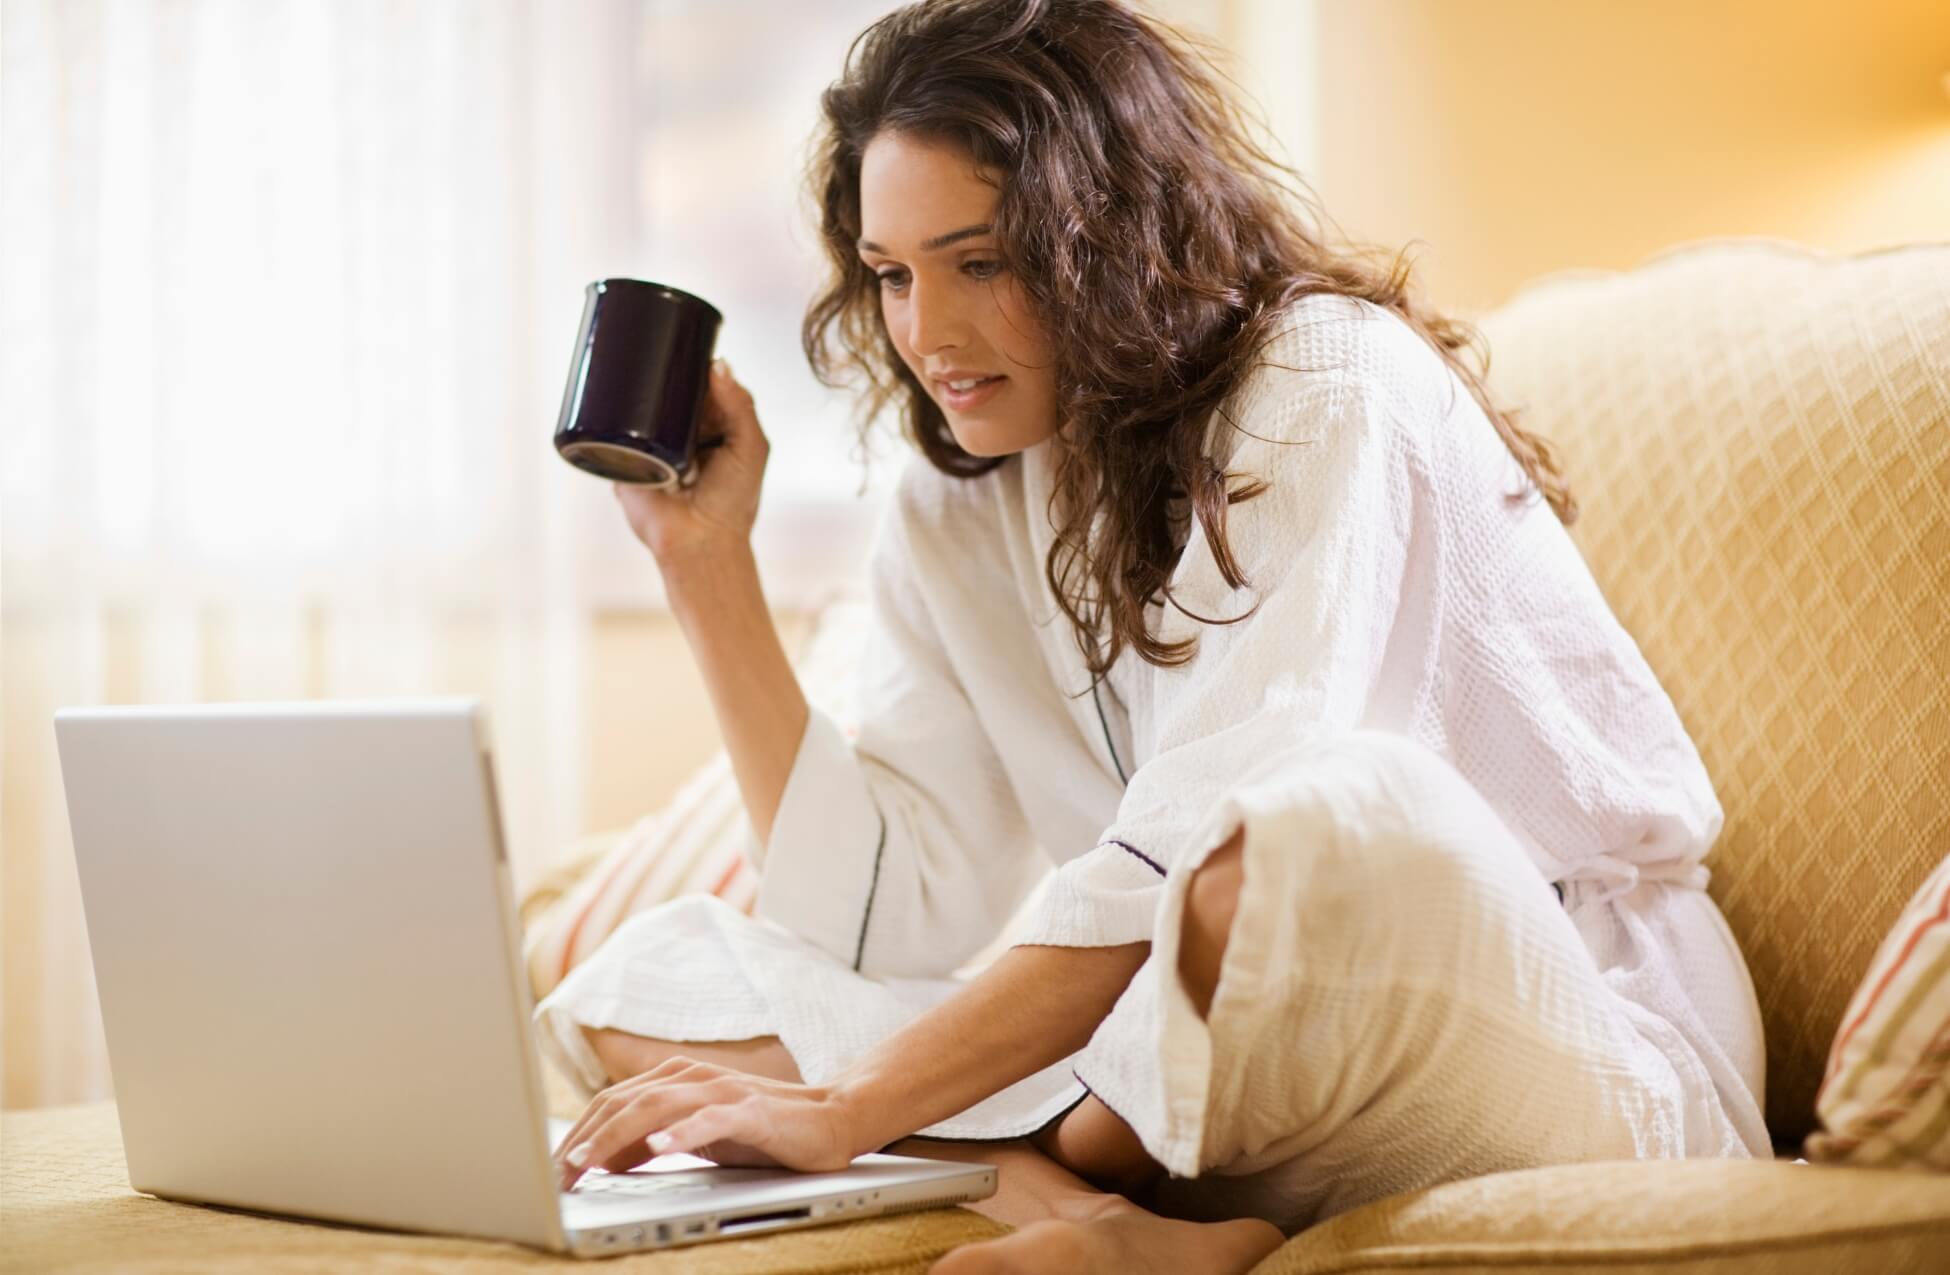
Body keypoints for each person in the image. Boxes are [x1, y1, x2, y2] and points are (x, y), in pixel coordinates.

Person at [535, 1, 1770, 1270]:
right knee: (656, 974)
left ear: (1106, 241)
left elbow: (1206, 842)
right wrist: (706, 570)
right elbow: (891, 917)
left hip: (1538, 1020)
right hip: (1189, 1053)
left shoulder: (1326, 379)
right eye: (894, 274)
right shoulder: (962, 496)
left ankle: (1077, 1143)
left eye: (982, 263)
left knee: (1305, 825)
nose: (928, 335)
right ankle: (1088, 1209)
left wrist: (855, 1110)